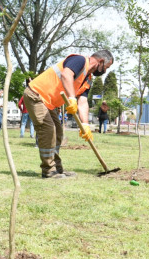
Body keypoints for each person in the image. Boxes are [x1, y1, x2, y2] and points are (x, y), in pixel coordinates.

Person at [22, 50, 114, 178]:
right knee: (48, 130)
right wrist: (72, 98)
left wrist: (85, 124)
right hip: (36, 94)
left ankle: (57, 169)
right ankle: (48, 170)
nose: (105, 71)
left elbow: (83, 102)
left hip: (48, 102)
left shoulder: (87, 78)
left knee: (58, 132)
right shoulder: (80, 60)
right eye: (106, 67)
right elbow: (66, 75)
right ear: (101, 61)